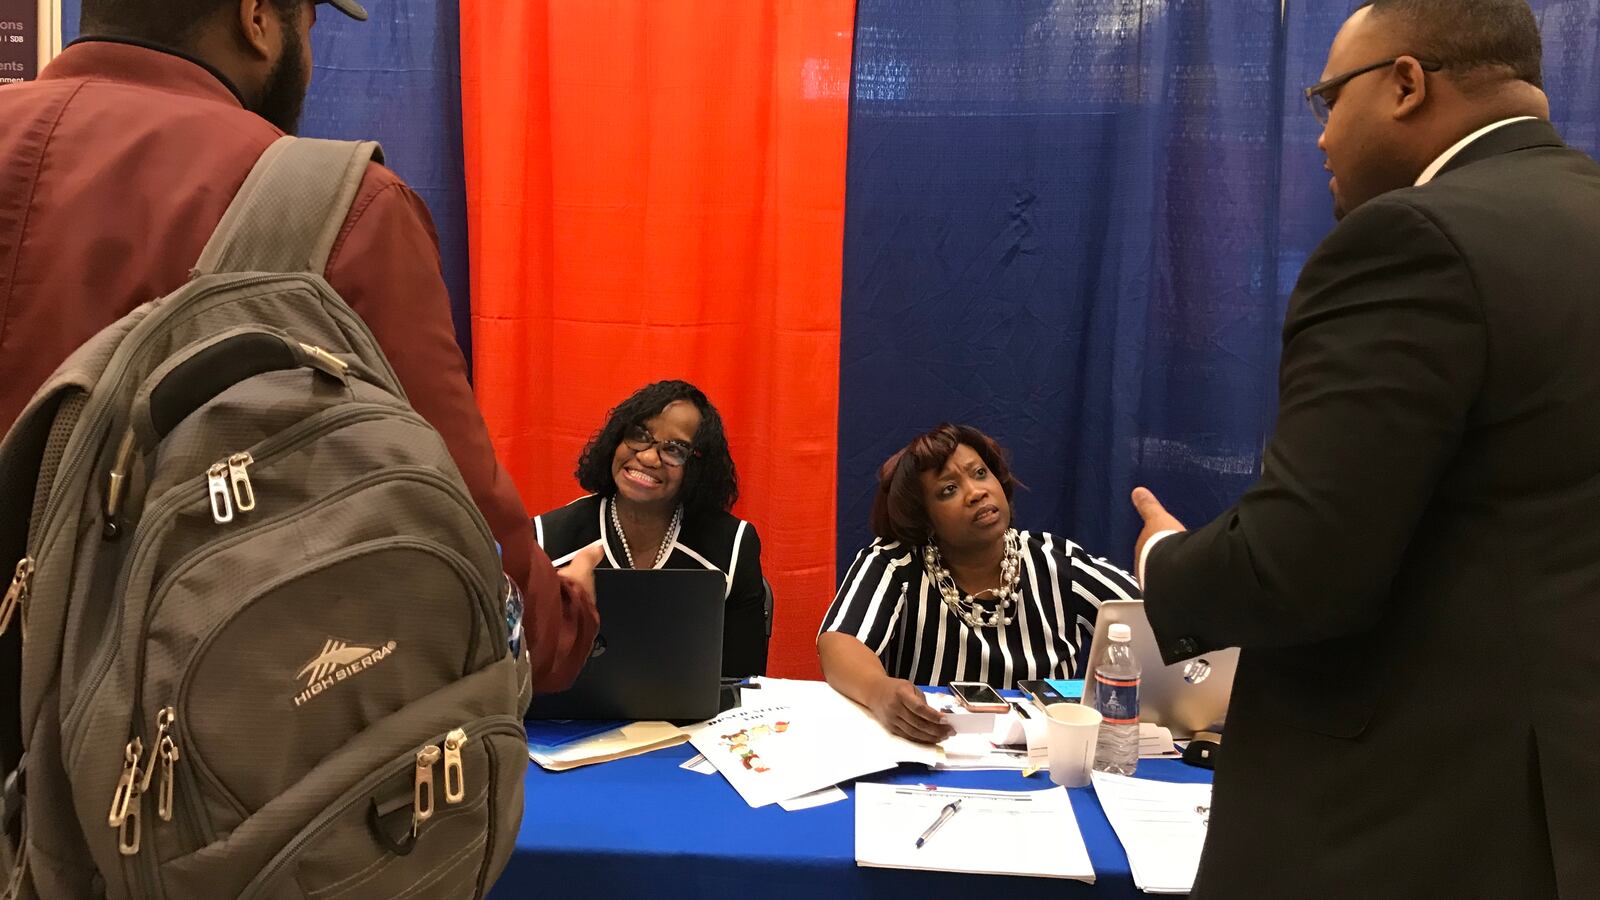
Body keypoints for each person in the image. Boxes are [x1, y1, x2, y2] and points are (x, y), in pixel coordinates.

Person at [1128, 1, 1599, 895]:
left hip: (1409, 825)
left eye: (1326, 99)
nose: (1318, 139)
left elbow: (1298, 567)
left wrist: (1163, 565)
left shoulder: (1413, 239)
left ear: (1406, 83)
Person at [0, 0, 599, 693]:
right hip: (160, 760)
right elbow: (455, 524)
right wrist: (559, 621)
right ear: (256, 19)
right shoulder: (340, 208)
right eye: (310, 25)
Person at [819, 424, 1136, 743]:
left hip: (1047, 757)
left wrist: (1160, 557)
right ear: (924, 519)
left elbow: (1152, 622)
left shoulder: (1054, 561)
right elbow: (839, 642)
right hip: (933, 751)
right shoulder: (896, 562)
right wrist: (878, 691)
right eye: (948, 490)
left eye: (980, 473)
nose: (975, 492)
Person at [535, 380, 768, 677]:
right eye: (639, 435)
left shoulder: (732, 545)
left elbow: (743, 679)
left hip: (695, 722)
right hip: (570, 720)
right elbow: (518, 673)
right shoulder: (548, 538)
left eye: (674, 449)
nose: (647, 457)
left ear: (699, 466)